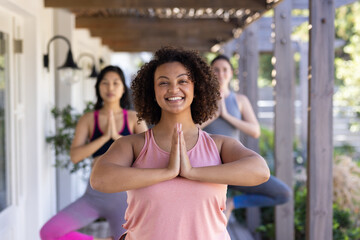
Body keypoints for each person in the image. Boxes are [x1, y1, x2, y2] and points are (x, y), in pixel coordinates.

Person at [90, 47, 270, 240]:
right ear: (152, 91)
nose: (173, 89)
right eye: (163, 82)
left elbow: (261, 171)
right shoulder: (133, 145)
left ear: (197, 87)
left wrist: (191, 172)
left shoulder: (220, 145)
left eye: (182, 81)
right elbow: (99, 179)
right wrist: (166, 172)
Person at [40, 66, 148, 240]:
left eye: (115, 83)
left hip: (124, 196)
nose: (110, 88)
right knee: (49, 232)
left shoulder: (134, 118)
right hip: (94, 194)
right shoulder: (89, 119)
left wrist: (117, 137)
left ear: (123, 88)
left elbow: (147, 155)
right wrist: (105, 137)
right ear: (98, 88)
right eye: (105, 83)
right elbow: (75, 156)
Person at [202, 55, 291, 219]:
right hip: (208, 169)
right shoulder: (201, 99)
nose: (220, 74)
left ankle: (232, 203)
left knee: (283, 193)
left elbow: (255, 130)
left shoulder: (240, 100)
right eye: (216, 70)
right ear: (209, 73)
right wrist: (214, 115)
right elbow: (188, 129)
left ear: (231, 73)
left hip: (235, 166)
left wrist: (227, 116)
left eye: (224, 69)